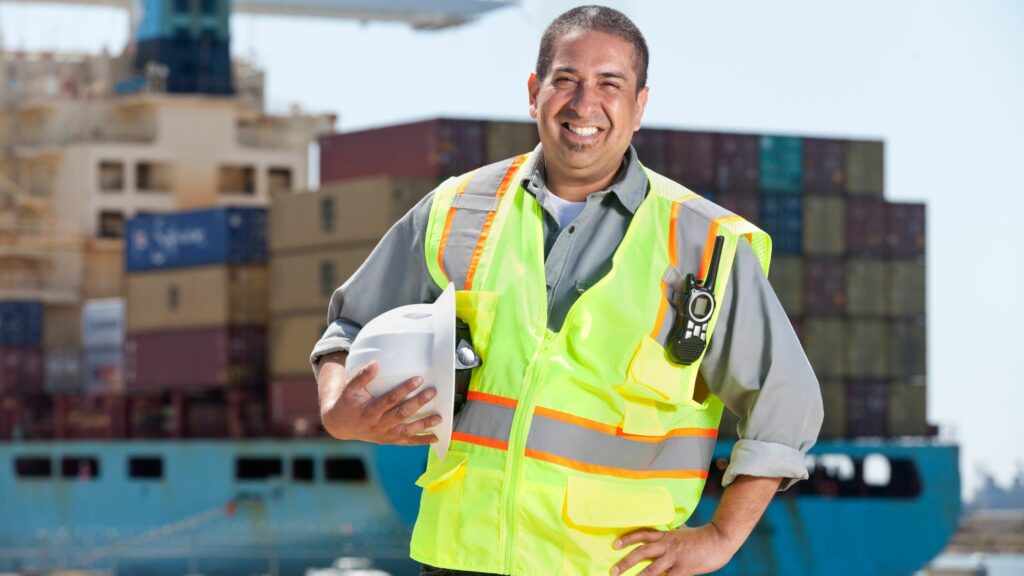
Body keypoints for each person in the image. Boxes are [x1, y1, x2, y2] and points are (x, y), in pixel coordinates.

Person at [311, 5, 823, 576]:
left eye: (610, 84)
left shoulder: (705, 244)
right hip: (461, 558)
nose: (584, 105)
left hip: (610, 567)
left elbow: (787, 404)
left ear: (639, 106)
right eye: (566, 81)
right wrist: (336, 407)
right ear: (535, 93)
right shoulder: (459, 207)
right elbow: (348, 326)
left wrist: (721, 537)